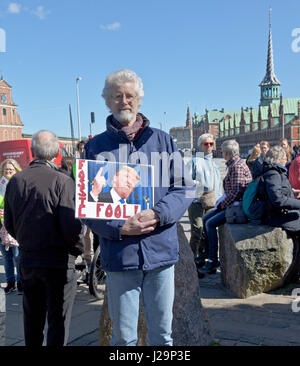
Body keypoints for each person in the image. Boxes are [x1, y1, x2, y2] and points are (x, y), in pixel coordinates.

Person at [83, 69, 194, 346]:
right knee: (123, 338)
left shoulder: (162, 140)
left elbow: (184, 188)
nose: (124, 101)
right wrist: (120, 227)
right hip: (120, 256)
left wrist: (159, 214)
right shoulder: (94, 147)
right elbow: (86, 206)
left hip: (160, 252)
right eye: (117, 96)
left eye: (130, 96)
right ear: (108, 101)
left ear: (138, 100)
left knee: (163, 336)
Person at [4, 130, 83, 346]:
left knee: (32, 322)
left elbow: (9, 223)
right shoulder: (64, 181)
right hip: (58, 262)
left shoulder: (16, 181)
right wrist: (79, 250)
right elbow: (72, 226)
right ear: (57, 152)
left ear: (32, 151)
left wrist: (25, 239)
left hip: (29, 260)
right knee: (57, 322)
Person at [198, 139, 252, 276]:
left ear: (226, 153)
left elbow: (236, 191)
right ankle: (206, 251)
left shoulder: (237, 166)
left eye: (222, 152)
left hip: (237, 207)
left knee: (210, 223)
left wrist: (221, 204)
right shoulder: (234, 164)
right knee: (205, 219)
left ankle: (212, 260)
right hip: (232, 203)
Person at [186, 134, 223, 264]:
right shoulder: (194, 161)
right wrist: (200, 187)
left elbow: (218, 185)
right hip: (196, 201)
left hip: (212, 202)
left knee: (206, 232)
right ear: (200, 146)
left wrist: (218, 200)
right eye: (205, 144)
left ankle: (202, 257)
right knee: (197, 230)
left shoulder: (214, 164)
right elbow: (185, 181)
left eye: (211, 144)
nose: (208, 146)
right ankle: (191, 259)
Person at [258, 145, 300, 230]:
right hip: (276, 216)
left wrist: (292, 192)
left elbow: (277, 191)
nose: (286, 161)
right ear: (279, 159)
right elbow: (277, 199)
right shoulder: (273, 173)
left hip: (280, 213)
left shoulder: (275, 172)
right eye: (285, 158)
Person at [0, 159, 22, 294]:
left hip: (15, 226)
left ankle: (21, 282)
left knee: (18, 257)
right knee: (7, 257)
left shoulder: (19, 183)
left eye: (10, 169)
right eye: (5, 170)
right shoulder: (0, 184)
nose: (7, 172)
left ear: (16, 170)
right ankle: (10, 282)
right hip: (1, 227)